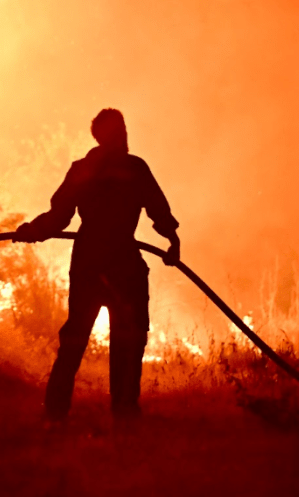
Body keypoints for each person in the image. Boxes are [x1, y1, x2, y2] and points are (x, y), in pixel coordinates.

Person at [13, 108, 180, 421]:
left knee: (84, 340)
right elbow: (158, 210)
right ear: (112, 135)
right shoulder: (132, 168)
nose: (125, 136)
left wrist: (33, 231)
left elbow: (58, 216)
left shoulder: (89, 169)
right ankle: (121, 412)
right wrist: (173, 241)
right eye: (120, 130)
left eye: (124, 129)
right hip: (121, 265)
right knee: (122, 342)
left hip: (92, 263)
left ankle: (61, 414)